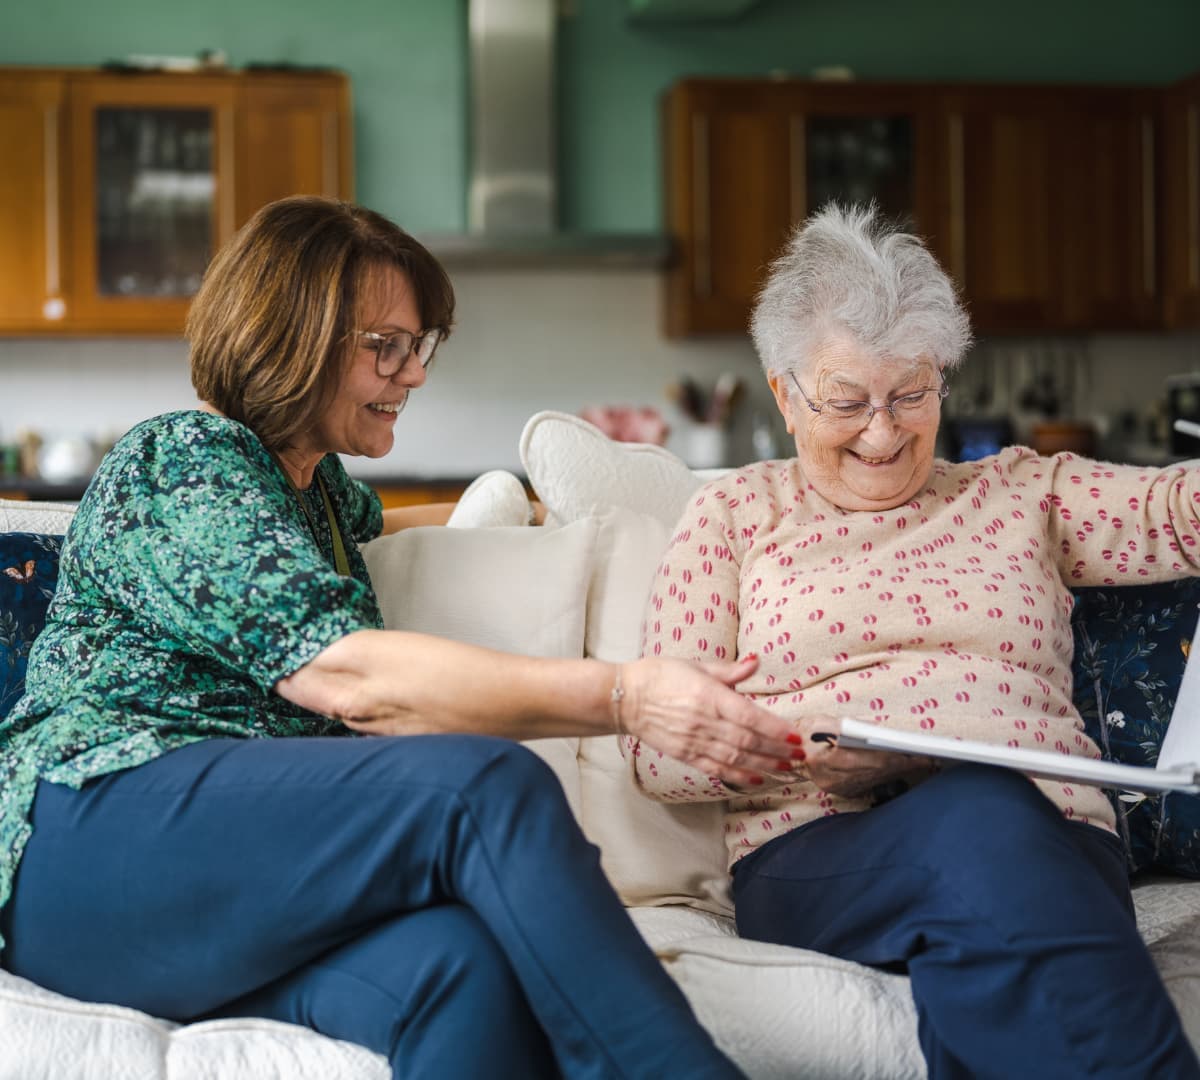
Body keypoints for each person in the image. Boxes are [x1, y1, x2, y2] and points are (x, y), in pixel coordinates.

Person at [0, 195, 807, 1079]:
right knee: (482, 785)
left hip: (214, 889)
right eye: (385, 346)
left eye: (417, 346)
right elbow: (350, 678)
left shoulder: (312, 493)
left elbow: (396, 526)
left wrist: (556, 514)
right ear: (290, 337)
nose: (413, 373)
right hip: (90, 838)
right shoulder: (185, 461)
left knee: (457, 969)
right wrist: (628, 694)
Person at [625, 202, 1200, 1079]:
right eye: (848, 401)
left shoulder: (1020, 495)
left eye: (911, 394)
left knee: (996, 879)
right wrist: (793, 745)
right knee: (983, 813)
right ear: (784, 394)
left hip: (1054, 836)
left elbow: (1176, 514)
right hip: (822, 848)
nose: (884, 432)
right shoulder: (736, 516)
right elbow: (656, 754)